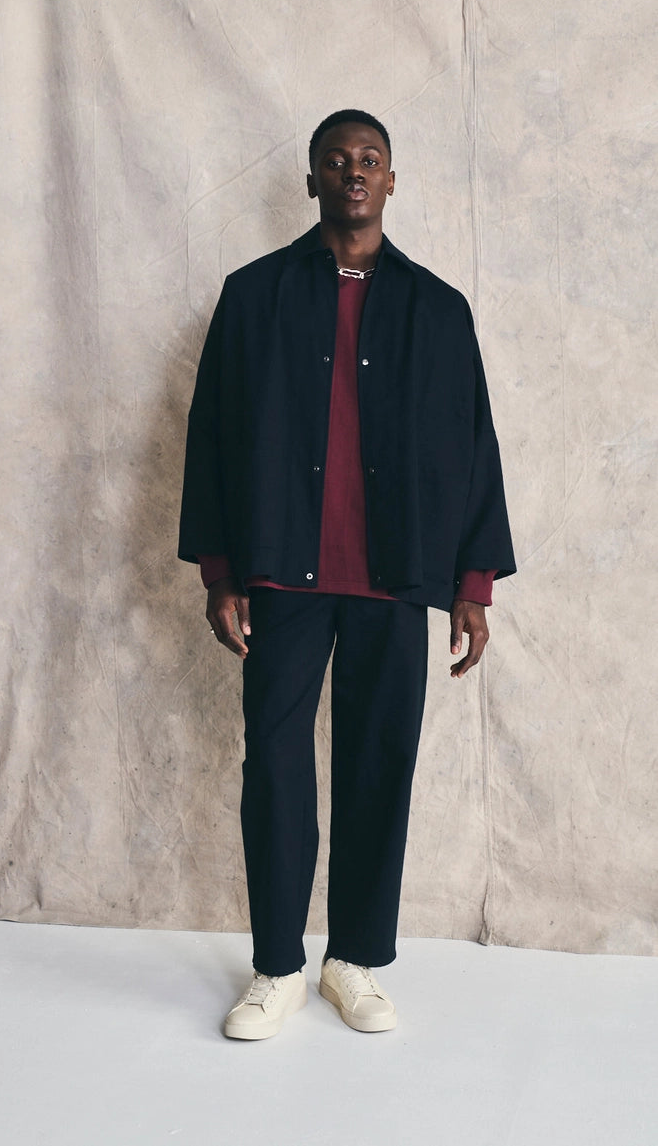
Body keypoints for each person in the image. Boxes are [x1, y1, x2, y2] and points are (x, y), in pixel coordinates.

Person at [178, 109, 515, 1040]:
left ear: (393, 180)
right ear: (312, 178)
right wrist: (219, 568)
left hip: (395, 575)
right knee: (276, 768)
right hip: (284, 571)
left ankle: (353, 959)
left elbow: (473, 446)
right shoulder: (253, 297)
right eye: (337, 159)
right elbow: (210, 436)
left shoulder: (440, 310)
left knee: (378, 766)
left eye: (370, 159)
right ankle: (278, 965)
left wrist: (472, 585)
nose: (353, 172)